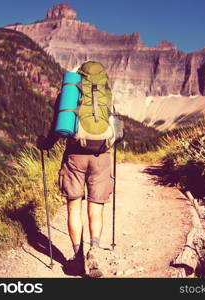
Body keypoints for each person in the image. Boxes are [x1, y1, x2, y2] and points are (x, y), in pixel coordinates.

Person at [36, 63, 117, 278]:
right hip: (102, 156)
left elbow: (58, 126)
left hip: (75, 155)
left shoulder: (71, 91)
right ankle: (94, 250)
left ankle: (76, 256)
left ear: (79, 76)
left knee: (74, 207)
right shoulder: (105, 90)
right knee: (96, 206)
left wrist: (45, 144)